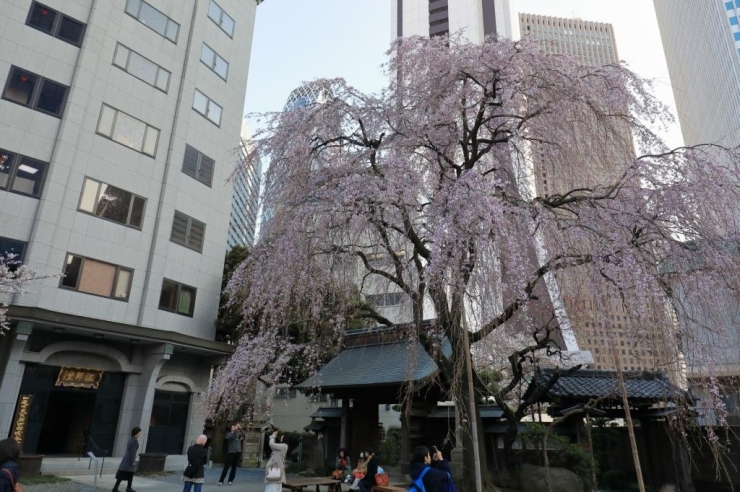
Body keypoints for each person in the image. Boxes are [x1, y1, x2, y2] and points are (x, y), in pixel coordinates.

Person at [113, 427, 141, 492]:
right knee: (124, 474)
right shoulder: (135, 441)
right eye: (140, 432)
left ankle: (128, 487)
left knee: (129, 474)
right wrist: (133, 461)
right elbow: (133, 452)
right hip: (129, 460)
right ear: (137, 433)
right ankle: (120, 488)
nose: (140, 434)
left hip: (126, 459)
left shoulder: (131, 439)